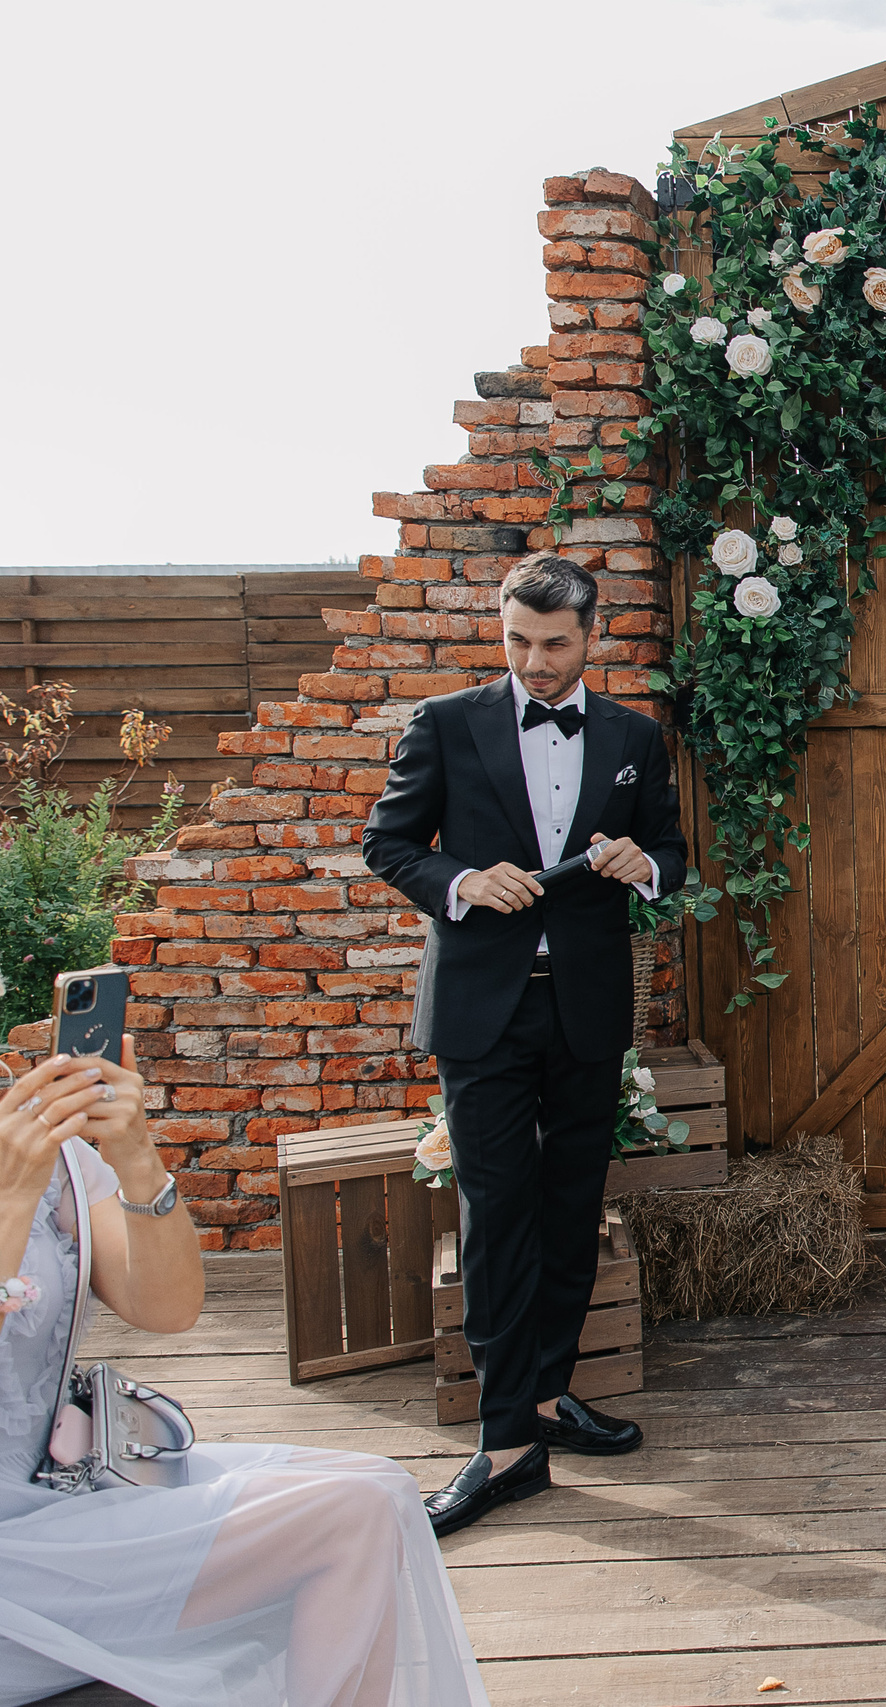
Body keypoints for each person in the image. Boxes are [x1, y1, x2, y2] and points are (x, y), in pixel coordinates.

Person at [0, 1045, 486, 1705]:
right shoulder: (19, 1167)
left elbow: (168, 1306)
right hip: (19, 1564)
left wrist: (134, 1156)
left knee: (385, 1489)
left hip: (71, 1490)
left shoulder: (38, 1144)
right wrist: (11, 1199)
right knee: (352, 1516)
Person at [363, 552, 686, 1536]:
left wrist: (645, 868)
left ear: (593, 638)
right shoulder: (446, 724)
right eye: (517, 642)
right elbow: (391, 842)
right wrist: (461, 884)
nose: (534, 662)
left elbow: (673, 853)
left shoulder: (635, 737)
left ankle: (547, 1397)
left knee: (568, 1206)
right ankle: (504, 1445)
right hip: (482, 1011)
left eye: (553, 644)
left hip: (585, 1009)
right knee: (497, 1212)